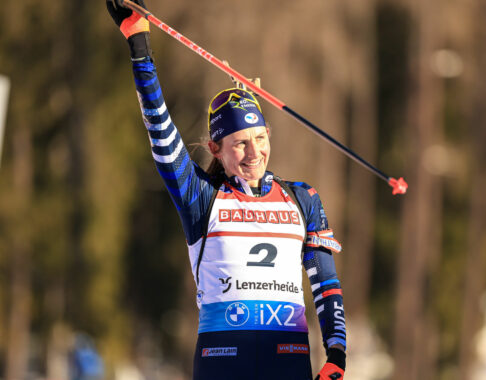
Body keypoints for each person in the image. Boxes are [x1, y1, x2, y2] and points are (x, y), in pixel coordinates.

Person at [107, 1, 347, 379]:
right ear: (216, 148)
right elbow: (160, 130)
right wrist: (139, 47)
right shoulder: (202, 197)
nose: (254, 153)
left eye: (259, 138)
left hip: (287, 362)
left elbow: (326, 285)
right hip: (223, 362)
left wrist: (336, 355)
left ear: (269, 134)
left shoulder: (303, 198)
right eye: (239, 143)